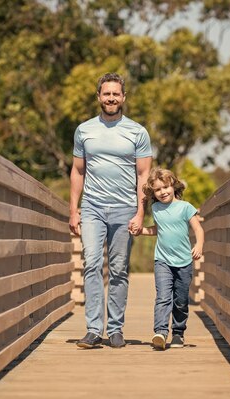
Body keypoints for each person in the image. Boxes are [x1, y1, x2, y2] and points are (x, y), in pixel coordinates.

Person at [70, 72, 152, 349]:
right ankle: (94, 329)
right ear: (99, 96)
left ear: (124, 97)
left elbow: (144, 177)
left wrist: (141, 213)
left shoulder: (137, 132)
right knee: (91, 263)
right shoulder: (84, 130)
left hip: (124, 209)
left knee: (118, 269)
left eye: (116, 94)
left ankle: (115, 329)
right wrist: (74, 209)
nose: (111, 98)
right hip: (92, 206)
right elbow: (78, 170)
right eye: (106, 94)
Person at [133, 168, 204, 350]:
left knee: (180, 300)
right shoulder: (156, 208)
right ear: (153, 193)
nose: (163, 192)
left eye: (166, 187)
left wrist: (199, 245)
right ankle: (160, 332)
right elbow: (159, 229)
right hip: (162, 260)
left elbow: (198, 229)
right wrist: (142, 231)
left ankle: (178, 333)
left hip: (184, 262)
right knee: (163, 297)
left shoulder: (185, 207)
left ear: (173, 186)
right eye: (158, 190)